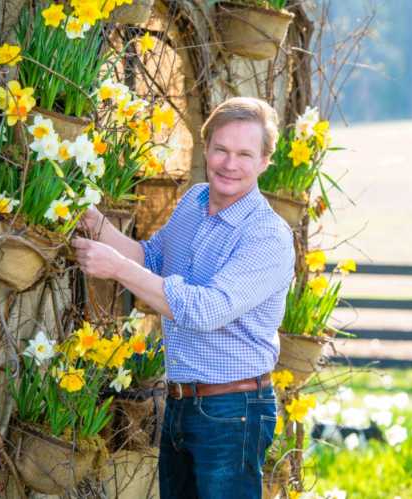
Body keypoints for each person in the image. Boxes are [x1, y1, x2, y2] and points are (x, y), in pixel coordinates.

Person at [72, 97, 295, 499]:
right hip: (178, 403)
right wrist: (94, 221)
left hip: (233, 412)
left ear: (265, 161)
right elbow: (153, 260)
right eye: (221, 150)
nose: (230, 163)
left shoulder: (267, 236)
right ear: (206, 148)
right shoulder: (194, 201)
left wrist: (116, 269)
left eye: (245, 154)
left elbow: (204, 311)